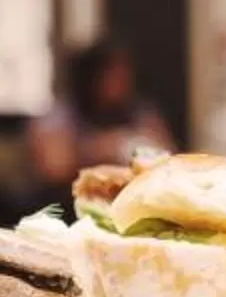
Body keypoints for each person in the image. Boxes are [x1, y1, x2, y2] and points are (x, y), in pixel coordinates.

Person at [29, 36, 174, 192]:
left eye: (124, 77)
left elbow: (169, 160)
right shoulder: (61, 115)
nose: (120, 85)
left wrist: (132, 145)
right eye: (111, 77)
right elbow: (54, 167)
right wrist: (101, 149)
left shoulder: (139, 112)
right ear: (92, 78)